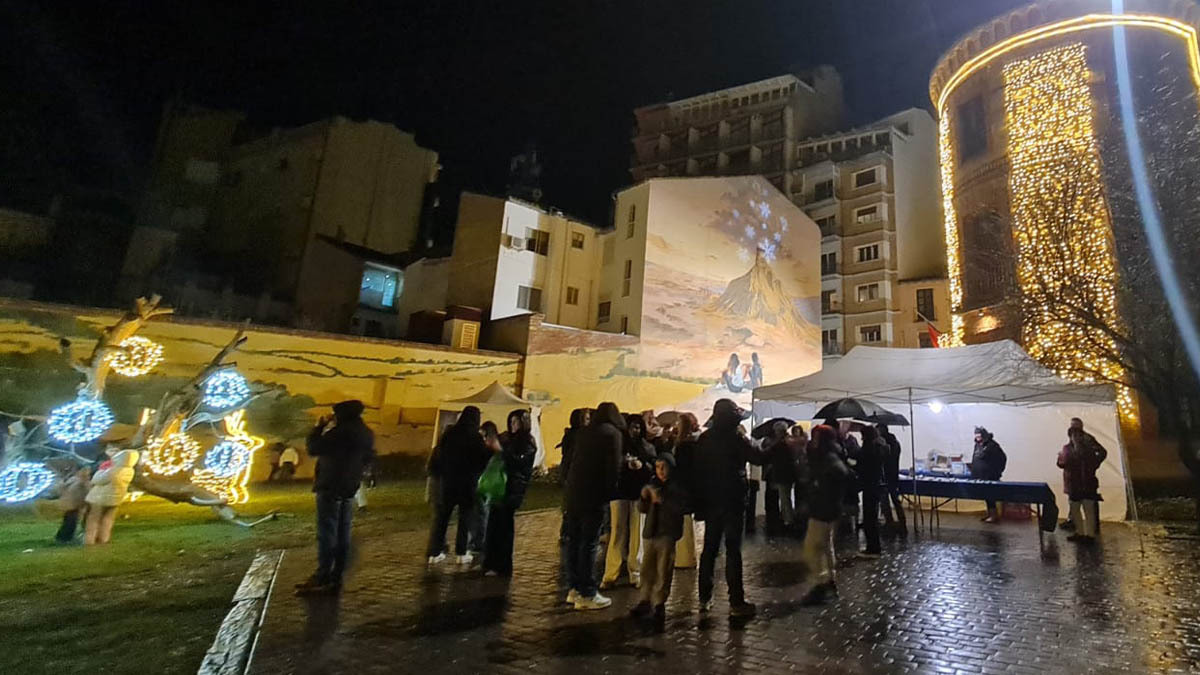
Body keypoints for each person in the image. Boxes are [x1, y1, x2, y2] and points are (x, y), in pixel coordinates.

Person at [692, 399, 765, 617]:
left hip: (711, 500)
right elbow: (758, 458)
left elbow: (698, 470)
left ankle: (704, 597)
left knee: (709, 550)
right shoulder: (736, 438)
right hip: (733, 500)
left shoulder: (705, 439)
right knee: (733, 550)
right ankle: (736, 601)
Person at [296, 400, 375, 595]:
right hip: (349, 487)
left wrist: (319, 427)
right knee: (343, 532)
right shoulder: (365, 433)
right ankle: (336, 575)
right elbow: (368, 458)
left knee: (327, 532)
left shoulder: (340, 433)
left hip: (331, 486)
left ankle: (323, 575)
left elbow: (313, 448)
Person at [564, 402, 624, 610]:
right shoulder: (612, 434)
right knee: (589, 544)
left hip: (573, 494)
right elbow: (613, 468)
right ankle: (588, 592)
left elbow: (570, 461)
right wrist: (609, 494)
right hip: (593, 496)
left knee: (574, 541)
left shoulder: (584, 432)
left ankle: (573, 588)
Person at [426, 406, 496, 565]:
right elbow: (480, 461)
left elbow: (440, 455)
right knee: (465, 519)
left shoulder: (449, 434)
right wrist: (490, 451)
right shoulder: (475, 437)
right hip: (467, 484)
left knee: (442, 518)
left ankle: (435, 552)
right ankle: (461, 552)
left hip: (448, 482)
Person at [631, 453, 689, 622]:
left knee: (664, 570)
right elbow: (642, 508)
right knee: (646, 568)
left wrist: (661, 500)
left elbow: (680, 507)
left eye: (664, 467)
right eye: (658, 467)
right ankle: (645, 599)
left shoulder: (677, 487)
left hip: (667, 533)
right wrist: (644, 497)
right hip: (651, 532)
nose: (660, 471)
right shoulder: (652, 484)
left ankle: (659, 603)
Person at [800, 425, 853, 605]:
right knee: (825, 545)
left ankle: (821, 582)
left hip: (823, 510)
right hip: (829, 509)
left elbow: (837, 477)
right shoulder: (830, 455)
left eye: (815, 437)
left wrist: (818, 489)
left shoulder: (827, 459)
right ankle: (829, 579)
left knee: (812, 548)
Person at [601, 414, 656, 588]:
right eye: (632, 427)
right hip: (620, 492)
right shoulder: (618, 446)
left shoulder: (647, 447)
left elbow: (653, 468)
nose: (635, 430)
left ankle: (636, 571)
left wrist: (643, 466)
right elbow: (609, 465)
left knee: (637, 533)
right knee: (617, 532)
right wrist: (623, 463)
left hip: (638, 493)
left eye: (638, 427)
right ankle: (610, 574)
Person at [482, 409, 536, 577]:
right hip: (498, 487)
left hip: (512, 489)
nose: (513, 425)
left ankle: (503, 565)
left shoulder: (527, 442)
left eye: (516, 422)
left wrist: (501, 451)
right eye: (511, 421)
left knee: (504, 528)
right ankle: (489, 562)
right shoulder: (507, 438)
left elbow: (518, 462)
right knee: (493, 526)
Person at [1058, 423, 1107, 543]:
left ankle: (1089, 535)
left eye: (1078, 435)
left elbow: (1101, 454)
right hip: (1073, 485)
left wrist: (1094, 463)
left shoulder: (1089, 449)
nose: (1075, 437)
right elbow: (1062, 464)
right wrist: (1060, 460)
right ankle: (1079, 532)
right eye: (1073, 435)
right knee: (1075, 510)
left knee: (1088, 509)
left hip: (1087, 484)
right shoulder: (1067, 449)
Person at [83, 448, 139, 545]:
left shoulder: (113, 470)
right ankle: (104, 538)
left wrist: (100, 471)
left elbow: (97, 480)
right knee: (108, 518)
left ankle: (89, 540)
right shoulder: (130, 471)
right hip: (116, 498)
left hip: (100, 498)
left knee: (94, 518)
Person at [670, 412, 701, 568]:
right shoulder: (696, 442)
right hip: (691, 486)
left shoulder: (684, 445)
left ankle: (685, 558)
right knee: (686, 520)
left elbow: (680, 468)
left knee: (683, 521)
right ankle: (687, 557)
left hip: (683, 487)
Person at [469, 421, 501, 557]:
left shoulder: (493, 446)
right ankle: (477, 541)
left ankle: (480, 542)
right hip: (481, 482)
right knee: (479, 512)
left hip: (486, 483)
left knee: (482, 512)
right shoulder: (489, 445)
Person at [558, 408, 589, 542]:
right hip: (573, 474)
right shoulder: (579, 436)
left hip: (569, 473)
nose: (589, 422)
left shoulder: (570, 434)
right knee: (572, 505)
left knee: (570, 504)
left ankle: (567, 532)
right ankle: (569, 532)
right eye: (586, 419)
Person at [855, 425, 887, 557]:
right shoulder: (880, 447)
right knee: (871, 517)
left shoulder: (868, 448)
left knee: (869, 518)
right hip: (876, 485)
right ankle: (874, 546)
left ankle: (872, 548)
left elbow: (863, 464)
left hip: (869, 485)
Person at [765, 421, 797, 534]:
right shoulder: (790, 441)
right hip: (786, 475)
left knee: (784, 499)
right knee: (785, 498)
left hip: (782, 475)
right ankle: (787, 521)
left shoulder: (780, 444)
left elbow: (771, 456)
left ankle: (788, 522)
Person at [970, 426, 1007, 523]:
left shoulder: (992, 445)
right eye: (976, 435)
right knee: (986, 497)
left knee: (991, 496)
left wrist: (998, 471)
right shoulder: (978, 445)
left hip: (990, 476)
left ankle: (994, 515)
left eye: (979, 435)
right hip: (980, 476)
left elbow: (1002, 458)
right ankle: (990, 514)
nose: (977, 437)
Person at [877, 424, 907, 533]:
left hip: (887, 475)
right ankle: (896, 522)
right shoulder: (895, 442)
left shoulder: (889, 444)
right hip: (892, 475)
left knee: (888, 500)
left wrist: (882, 448)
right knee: (891, 500)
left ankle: (892, 522)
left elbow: (886, 458)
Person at [54, 465, 91, 544]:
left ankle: (63, 538)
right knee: (70, 522)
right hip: (73, 504)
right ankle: (65, 538)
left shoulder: (75, 480)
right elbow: (87, 490)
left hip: (73, 504)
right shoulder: (77, 480)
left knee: (69, 521)